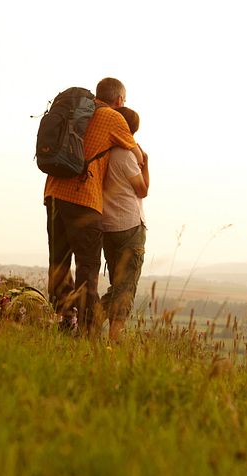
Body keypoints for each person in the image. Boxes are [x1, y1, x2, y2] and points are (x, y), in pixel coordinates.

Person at [44, 77, 144, 333]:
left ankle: (65, 319)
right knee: (87, 266)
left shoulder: (76, 110)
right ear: (119, 100)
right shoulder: (113, 118)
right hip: (84, 197)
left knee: (59, 261)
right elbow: (136, 154)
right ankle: (87, 330)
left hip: (54, 192)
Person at [100, 107, 149, 341]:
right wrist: (146, 164)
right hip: (130, 224)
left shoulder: (103, 151)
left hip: (106, 226)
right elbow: (142, 190)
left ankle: (86, 325)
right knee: (126, 287)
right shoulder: (127, 155)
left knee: (117, 284)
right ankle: (113, 338)